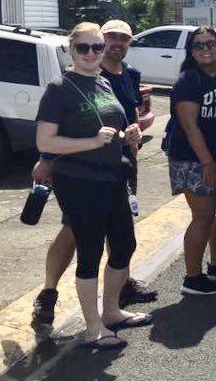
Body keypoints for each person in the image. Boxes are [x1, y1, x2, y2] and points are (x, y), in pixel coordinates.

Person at [31, 20, 156, 328]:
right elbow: (45, 140)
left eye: (96, 47)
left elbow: (119, 122)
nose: (92, 53)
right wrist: (90, 142)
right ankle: (93, 328)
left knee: (124, 244)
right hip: (78, 179)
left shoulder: (103, 81)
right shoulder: (60, 88)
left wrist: (130, 135)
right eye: (84, 47)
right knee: (89, 250)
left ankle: (111, 310)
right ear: (71, 49)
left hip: (113, 175)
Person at [168, 26, 216, 295]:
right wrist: (207, 163)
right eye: (198, 45)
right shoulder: (188, 81)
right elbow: (189, 126)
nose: (205, 49)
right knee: (203, 216)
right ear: (191, 50)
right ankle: (192, 277)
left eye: (210, 43)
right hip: (193, 159)